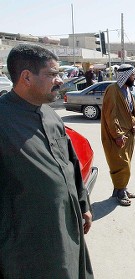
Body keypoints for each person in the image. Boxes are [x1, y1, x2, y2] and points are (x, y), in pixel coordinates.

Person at [0, 44, 93, 278]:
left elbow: (70, 163)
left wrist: (83, 204)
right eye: (52, 74)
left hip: (68, 226)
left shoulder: (50, 114)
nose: (60, 80)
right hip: (29, 246)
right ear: (27, 77)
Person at [101, 64, 135, 206]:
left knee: (126, 163)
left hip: (129, 133)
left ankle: (121, 189)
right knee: (121, 164)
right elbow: (111, 115)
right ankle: (120, 192)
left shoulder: (127, 89)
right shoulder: (113, 90)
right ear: (125, 76)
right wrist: (117, 135)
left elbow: (130, 111)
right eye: (132, 75)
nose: (134, 77)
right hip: (118, 135)